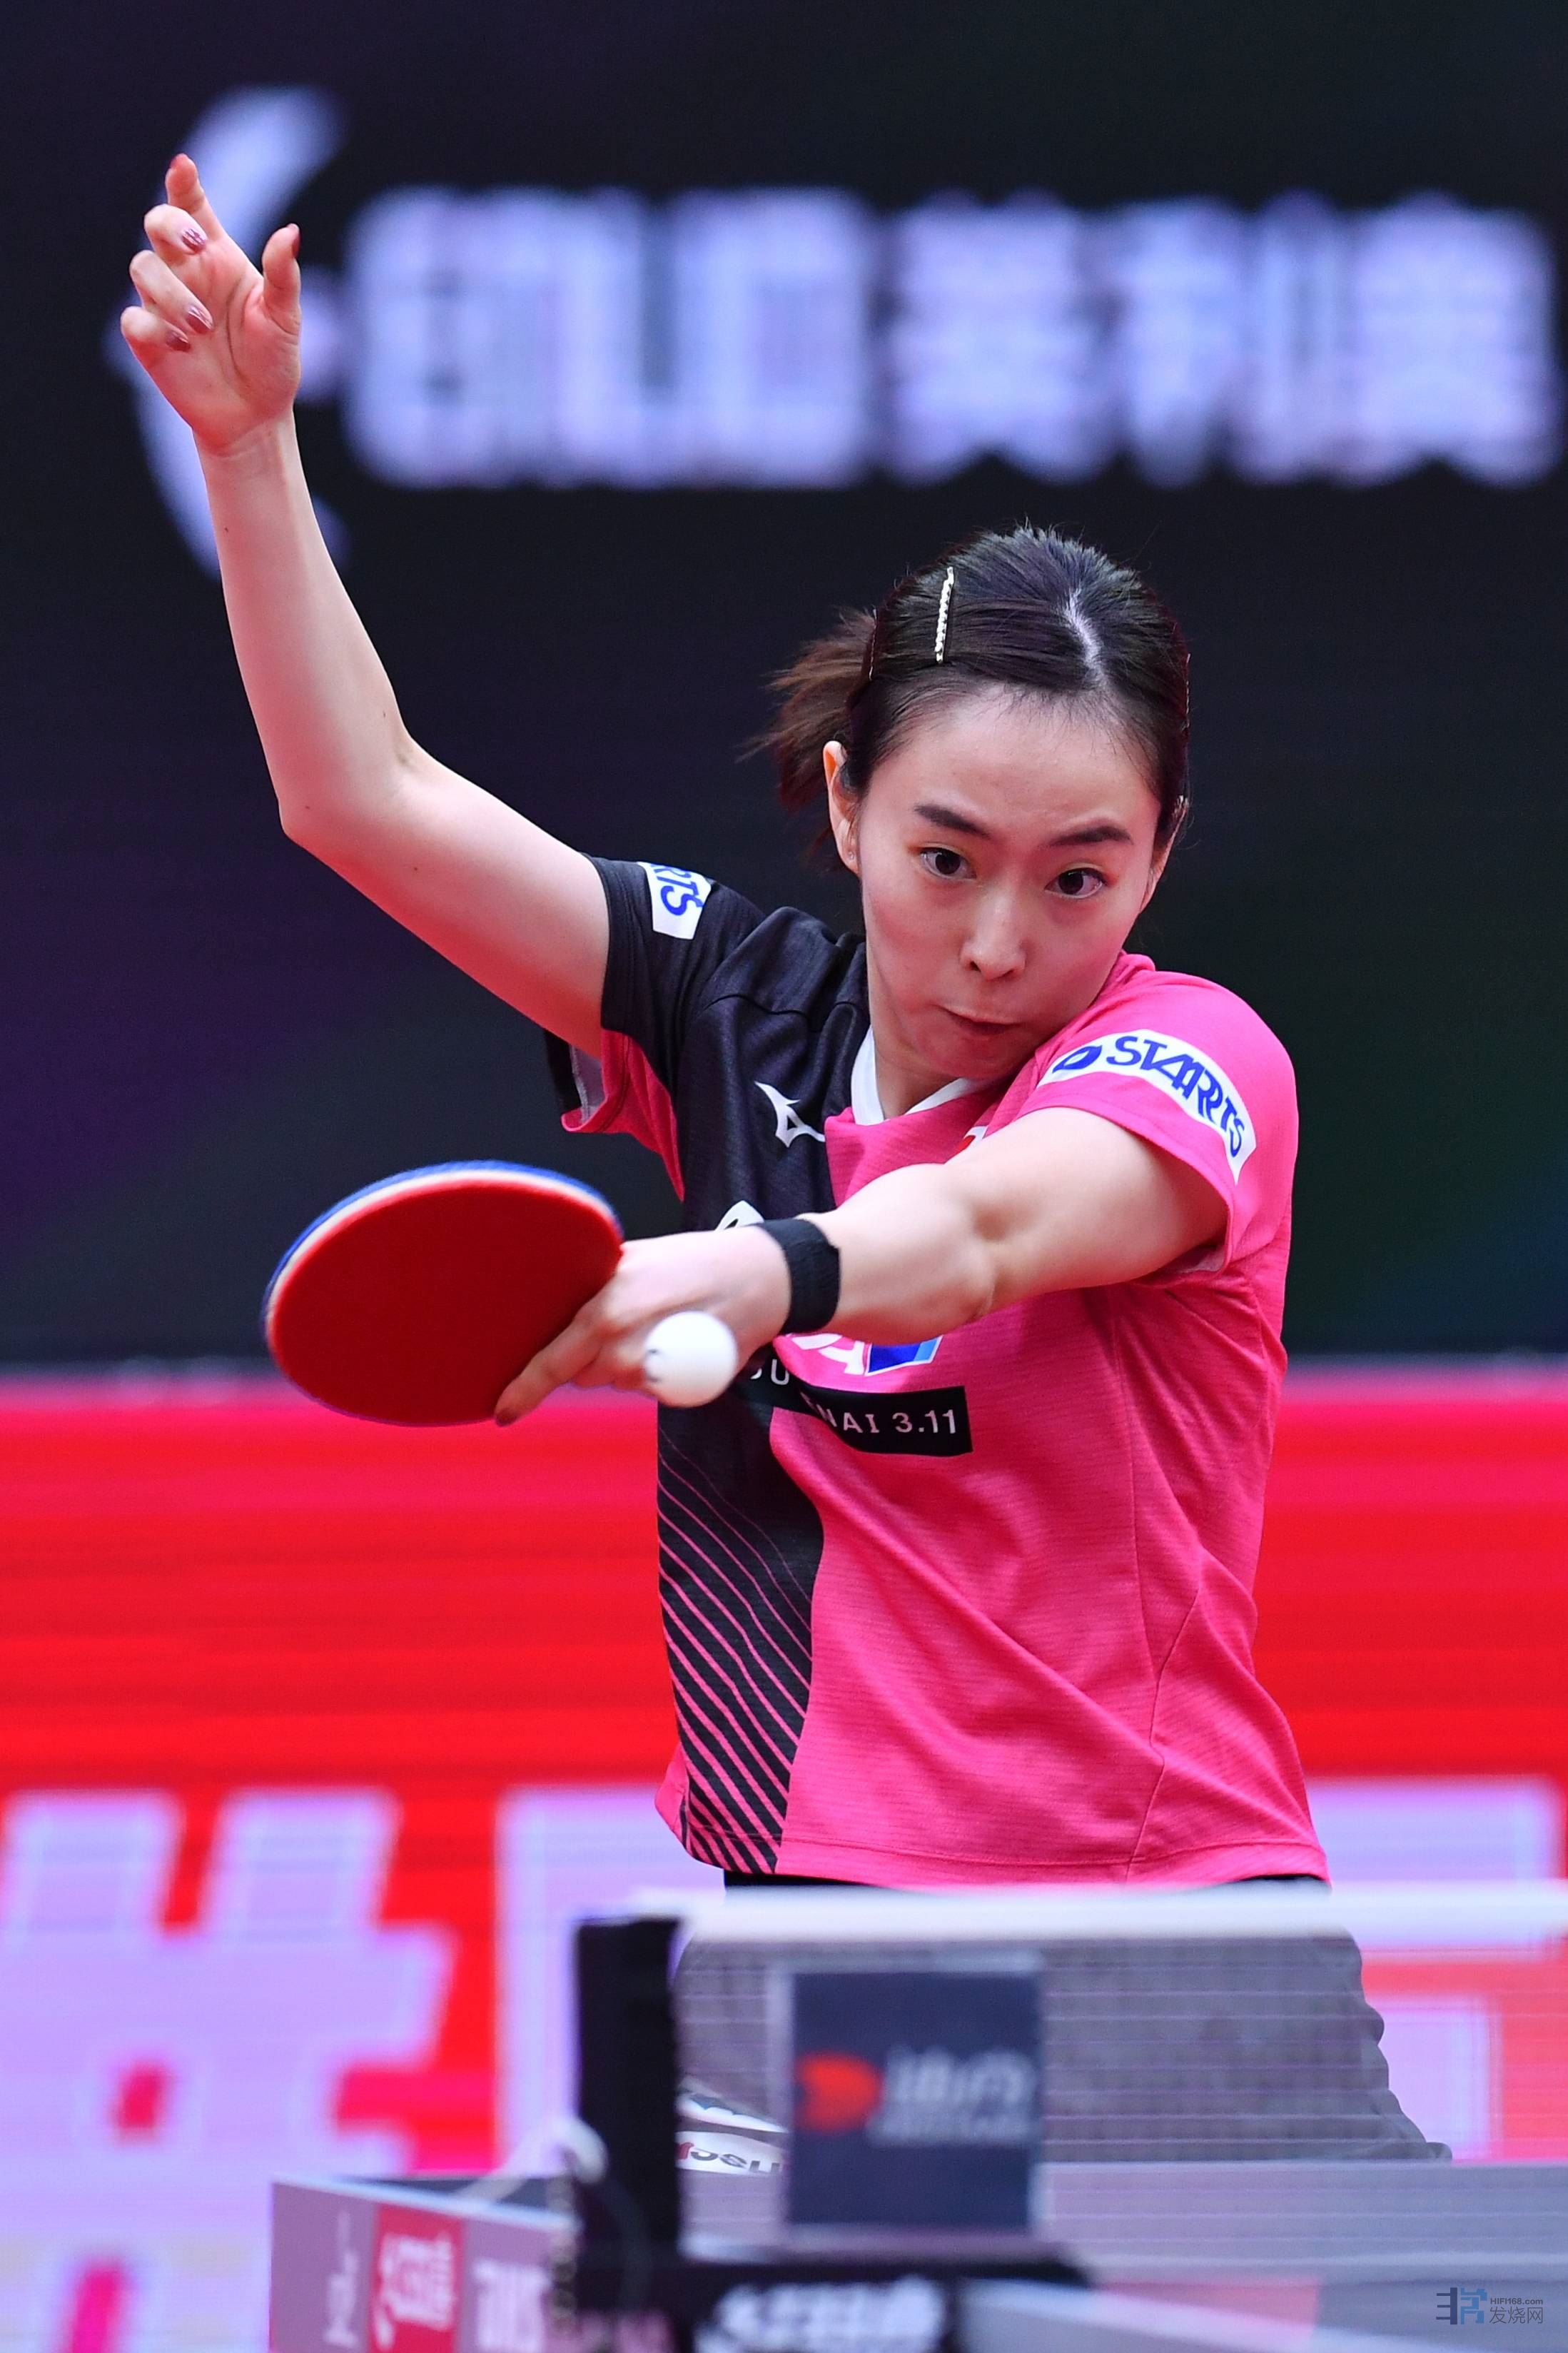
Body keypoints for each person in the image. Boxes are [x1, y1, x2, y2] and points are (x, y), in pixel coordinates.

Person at [124, 154, 1444, 2165]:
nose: (998, 942)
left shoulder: (1191, 1060)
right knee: (642, 2283)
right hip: (815, 1946)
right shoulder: (722, 1008)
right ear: (845, 808)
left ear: (1159, 858)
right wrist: (247, 451)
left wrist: (761, 1270)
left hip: (1166, 1954)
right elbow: (363, 799)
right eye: (947, 859)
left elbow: (988, 1227)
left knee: (1410, 2309)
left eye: (1078, 876)